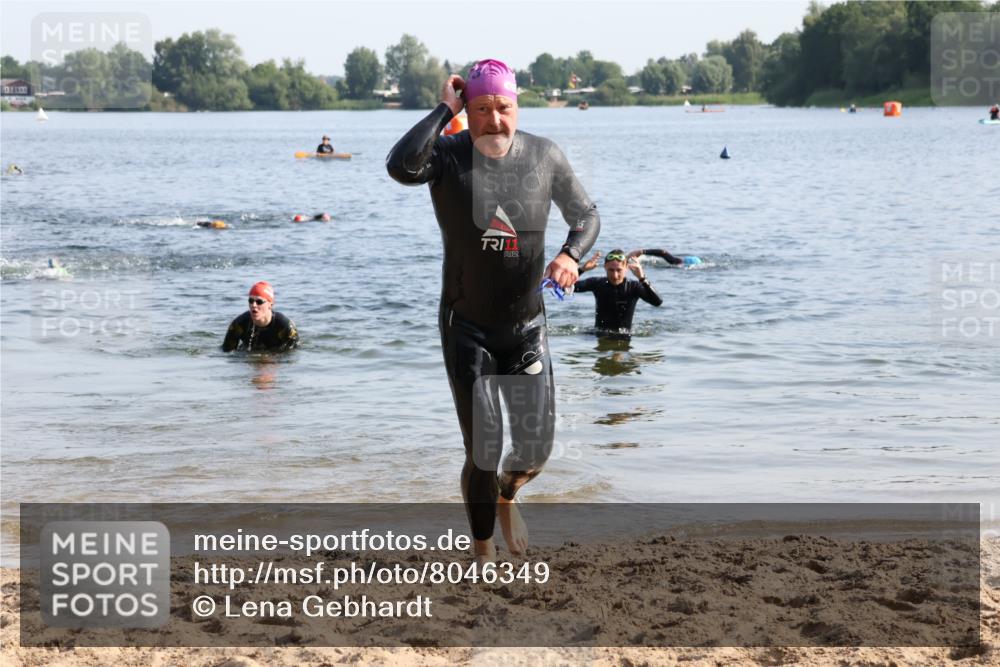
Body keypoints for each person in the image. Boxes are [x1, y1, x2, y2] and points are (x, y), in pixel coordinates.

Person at [386, 58, 599, 563]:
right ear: (468, 109)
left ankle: (507, 497)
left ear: (516, 105)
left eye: (503, 108)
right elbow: (401, 166)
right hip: (467, 329)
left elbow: (586, 215)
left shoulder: (545, 156)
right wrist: (444, 109)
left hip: (526, 327)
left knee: (535, 452)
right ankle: (482, 550)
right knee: (484, 448)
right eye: (482, 109)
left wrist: (570, 255)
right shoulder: (449, 156)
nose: (495, 120)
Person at [576, 249, 662, 337]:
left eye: (619, 270)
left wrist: (642, 278)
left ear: (626, 267)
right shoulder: (597, 283)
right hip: (600, 335)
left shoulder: (634, 287)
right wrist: (581, 269)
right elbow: (564, 287)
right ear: (605, 267)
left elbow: (657, 302)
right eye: (611, 270)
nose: (615, 275)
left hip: (624, 337)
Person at [222, 281, 299, 352]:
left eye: (259, 302)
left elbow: (292, 355)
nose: (254, 305)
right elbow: (227, 352)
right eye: (251, 301)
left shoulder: (284, 326)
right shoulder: (239, 324)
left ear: (270, 304)